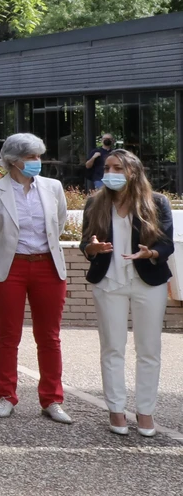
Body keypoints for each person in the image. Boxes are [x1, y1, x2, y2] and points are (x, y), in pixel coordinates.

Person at [0, 132, 72, 424]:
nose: (36, 162)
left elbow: (60, 223)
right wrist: (9, 253)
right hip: (10, 267)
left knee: (50, 337)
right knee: (8, 335)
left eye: (38, 156)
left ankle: (52, 400)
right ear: (13, 161)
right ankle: (5, 396)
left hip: (48, 267)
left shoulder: (53, 187)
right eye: (31, 157)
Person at [80, 149, 174, 438]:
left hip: (147, 282)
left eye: (117, 168)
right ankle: (116, 409)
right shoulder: (95, 202)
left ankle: (145, 411)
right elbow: (86, 241)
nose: (110, 173)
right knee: (112, 348)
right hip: (108, 282)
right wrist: (92, 249)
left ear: (133, 171)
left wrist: (152, 252)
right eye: (107, 168)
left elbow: (167, 243)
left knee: (149, 349)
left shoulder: (156, 202)